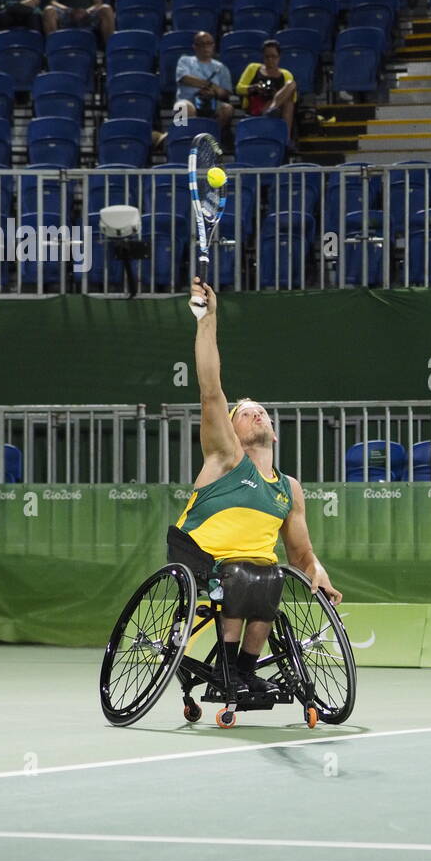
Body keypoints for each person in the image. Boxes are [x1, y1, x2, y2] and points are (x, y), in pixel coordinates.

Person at [175, 276, 342, 696]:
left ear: (275, 433)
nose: (257, 414)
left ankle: (243, 672)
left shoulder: (289, 488)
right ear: (229, 430)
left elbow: (301, 553)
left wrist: (319, 573)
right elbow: (210, 390)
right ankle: (228, 670)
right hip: (200, 556)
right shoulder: (224, 458)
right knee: (249, 576)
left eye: (262, 411)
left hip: (256, 572)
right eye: (245, 413)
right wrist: (207, 320)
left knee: (271, 576)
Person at [175, 31, 235, 146]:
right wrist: (211, 85)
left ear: (213, 45)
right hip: (188, 101)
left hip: (211, 102)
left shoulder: (221, 68)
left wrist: (213, 92)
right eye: (201, 44)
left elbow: (225, 93)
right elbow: (184, 78)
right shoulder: (185, 61)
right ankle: (182, 139)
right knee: (181, 107)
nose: (205, 47)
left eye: (209, 43)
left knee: (227, 109)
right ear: (195, 46)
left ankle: (212, 141)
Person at [235, 38, 297, 141]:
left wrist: (276, 95)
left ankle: (285, 138)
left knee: (291, 86)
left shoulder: (286, 74)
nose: (270, 60)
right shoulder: (253, 68)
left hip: (278, 108)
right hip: (257, 104)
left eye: (273, 57)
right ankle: (285, 138)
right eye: (267, 57)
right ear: (262, 57)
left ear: (279, 57)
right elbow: (239, 89)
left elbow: (293, 98)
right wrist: (254, 88)